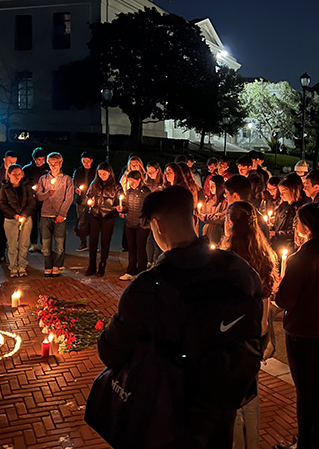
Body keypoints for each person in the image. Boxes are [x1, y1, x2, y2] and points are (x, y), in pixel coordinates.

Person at [95, 185, 263, 448]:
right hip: (221, 408)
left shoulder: (148, 287)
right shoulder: (238, 269)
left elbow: (110, 351)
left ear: (158, 225)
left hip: (169, 415)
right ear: (194, 218)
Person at [274, 204, 319, 449]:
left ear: (307, 225)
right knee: (317, 385)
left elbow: (286, 299)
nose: (294, 225)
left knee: (305, 388)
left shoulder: (301, 257)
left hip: (302, 328)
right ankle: (316, 438)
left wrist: (277, 289)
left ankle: (305, 442)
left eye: (297, 221)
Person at [221, 201, 277, 449]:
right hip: (257, 333)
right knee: (251, 394)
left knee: (233, 401)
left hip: (233, 334)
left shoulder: (228, 259)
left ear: (230, 223)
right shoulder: (263, 254)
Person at [35, 152, 74, 278]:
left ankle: (57, 266)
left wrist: (62, 213)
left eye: (55, 164)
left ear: (60, 163)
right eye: (50, 164)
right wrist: (47, 194)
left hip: (59, 216)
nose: (53, 166)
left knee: (59, 243)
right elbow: (39, 196)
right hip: (45, 215)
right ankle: (47, 266)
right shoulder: (43, 179)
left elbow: (69, 198)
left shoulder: (67, 179)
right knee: (45, 244)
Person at [86, 162, 123, 277]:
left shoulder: (116, 185)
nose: (102, 176)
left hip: (109, 216)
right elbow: (88, 195)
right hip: (95, 215)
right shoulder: (94, 183)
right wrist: (89, 201)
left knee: (105, 241)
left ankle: (102, 264)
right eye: (100, 173)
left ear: (109, 173)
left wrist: (120, 207)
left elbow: (121, 199)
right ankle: (92, 264)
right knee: (93, 241)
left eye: (104, 173)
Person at [0, 164, 36, 278]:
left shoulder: (26, 186)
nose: (18, 176)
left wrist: (24, 214)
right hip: (11, 220)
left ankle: (22, 265)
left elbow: (31, 203)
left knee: (24, 243)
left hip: (26, 219)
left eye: (20, 174)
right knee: (12, 244)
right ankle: (13, 266)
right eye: (15, 174)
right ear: (9, 175)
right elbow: (2, 203)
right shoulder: (5, 188)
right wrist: (13, 214)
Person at [118, 170, 151, 281]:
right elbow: (127, 207)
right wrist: (122, 209)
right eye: (130, 182)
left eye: (133, 182)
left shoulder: (146, 192)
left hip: (142, 225)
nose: (131, 184)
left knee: (140, 248)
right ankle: (130, 271)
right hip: (130, 223)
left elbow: (149, 209)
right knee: (131, 248)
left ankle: (141, 272)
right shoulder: (128, 192)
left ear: (139, 180)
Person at [0, 150, 19, 264]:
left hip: (15, 208)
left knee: (16, 232)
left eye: (14, 161)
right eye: (9, 161)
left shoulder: (18, 172)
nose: (12, 163)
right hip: (1, 208)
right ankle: (2, 253)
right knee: (2, 231)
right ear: (4, 160)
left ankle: (15, 254)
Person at [22, 147, 49, 252]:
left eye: (43, 159)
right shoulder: (27, 169)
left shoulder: (47, 169)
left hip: (44, 200)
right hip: (32, 201)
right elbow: (23, 183)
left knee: (44, 223)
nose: (41, 162)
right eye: (39, 159)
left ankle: (44, 244)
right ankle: (34, 243)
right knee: (32, 223)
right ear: (34, 158)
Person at [272, 175, 304, 252]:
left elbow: (295, 231)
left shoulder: (298, 208)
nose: (281, 195)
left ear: (293, 190)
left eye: (284, 191)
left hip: (289, 247)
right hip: (278, 245)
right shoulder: (283, 206)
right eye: (280, 192)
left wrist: (276, 234)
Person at [72, 151, 94, 251]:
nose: (85, 163)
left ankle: (93, 244)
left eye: (87, 161)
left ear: (91, 161)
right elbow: (73, 183)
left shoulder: (95, 172)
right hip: (81, 199)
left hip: (92, 200)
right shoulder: (78, 171)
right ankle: (83, 243)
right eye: (83, 161)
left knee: (93, 222)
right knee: (82, 221)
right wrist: (75, 189)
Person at [199, 174, 227, 245]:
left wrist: (207, 217)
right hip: (206, 234)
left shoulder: (225, 202)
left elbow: (222, 217)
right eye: (209, 185)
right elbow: (202, 212)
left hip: (217, 235)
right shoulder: (209, 201)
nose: (210, 188)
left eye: (213, 186)